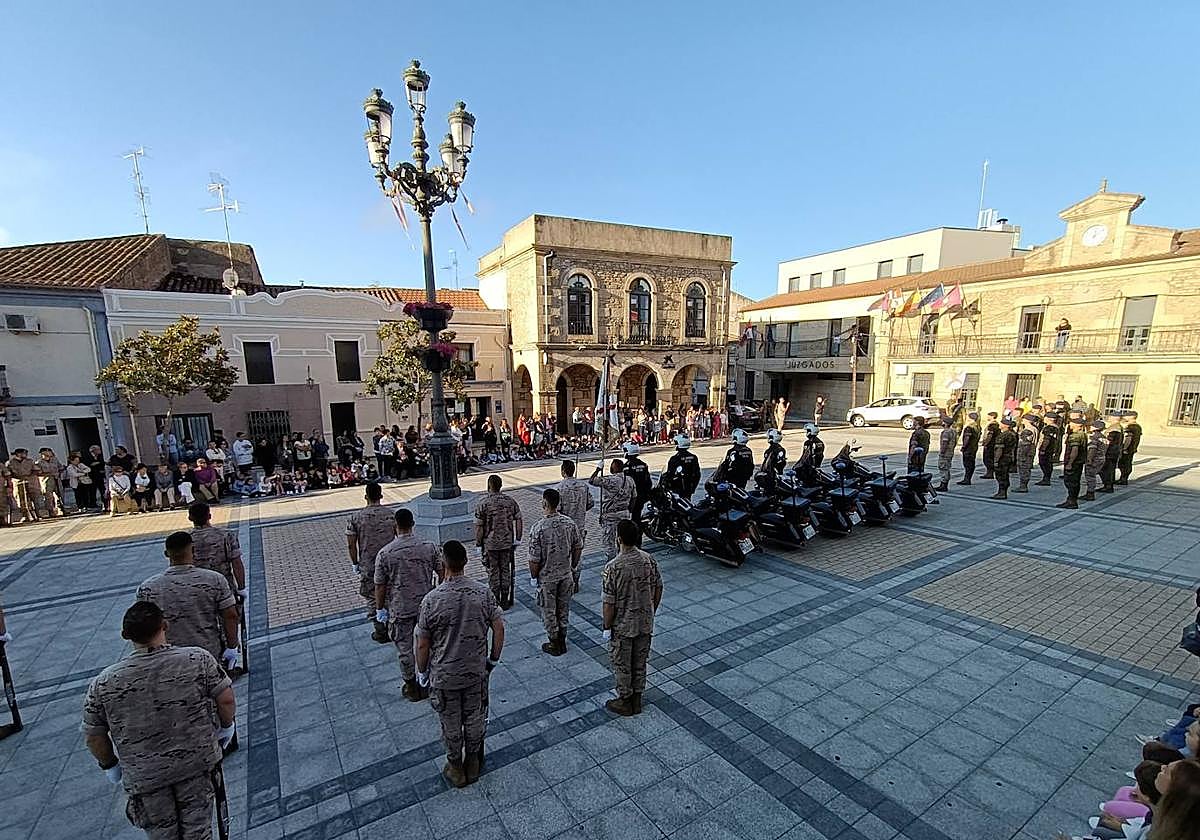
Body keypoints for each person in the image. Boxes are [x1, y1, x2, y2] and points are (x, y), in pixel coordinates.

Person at [82, 601, 236, 840]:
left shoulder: (104, 683)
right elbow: (225, 699)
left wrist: (110, 765)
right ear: (165, 625)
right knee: (198, 831)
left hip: (146, 777)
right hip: (195, 764)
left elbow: (94, 736)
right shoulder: (196, 660)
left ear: (125, 635)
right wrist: (226, 728)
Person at [414, 539, 504, 788]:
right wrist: (493, 659)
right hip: (476, 672)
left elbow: (422, 644)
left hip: (445, 676)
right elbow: (498, 627)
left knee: (451, 723)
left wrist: (422, 672)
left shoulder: (431, 600)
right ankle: (473, 762)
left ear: (443, 563)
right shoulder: (482, 593)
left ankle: (455, 767)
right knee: (475, 718)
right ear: (465, 561)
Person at [136, 532, 240, 671]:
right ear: (193, 550)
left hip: (168, 659)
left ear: (166, 554)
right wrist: (232, 647)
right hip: (208, 655)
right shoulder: (214, 579)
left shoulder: (148, 588)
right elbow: (230, 615)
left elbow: (142, 626)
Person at [374, 508, 444, 701]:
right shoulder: (428, 546)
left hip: (401, 608)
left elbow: (379, 585)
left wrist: (380, 609)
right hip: (427, 606)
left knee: (405, 649)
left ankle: (412, 686)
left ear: (395, 526)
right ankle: (429, 681)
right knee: (431, 644)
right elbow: (442, 572)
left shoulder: (385, 553)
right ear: (413, 524)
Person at [601, 520, 663, 717]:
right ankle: (637, 698)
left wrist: (607, 626)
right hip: (645, 623)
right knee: (640, 661)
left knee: (622, 664)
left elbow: (609, 604)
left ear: (618, 538)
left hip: (623, 626)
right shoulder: (648, 559)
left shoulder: (613, 567)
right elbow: (658, 587)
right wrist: (650, 610)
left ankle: (625, 700)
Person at [527, 488, 583, 657]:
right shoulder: (569, 523)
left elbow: (534, 559)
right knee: (563, 608)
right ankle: (563, 639)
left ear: (544, 503)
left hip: (547, 578)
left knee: (549, 610)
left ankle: (554, 642)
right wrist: (573, 565)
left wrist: (533, 577)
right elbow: (578, 546)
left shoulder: (538, 528)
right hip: (565, 574)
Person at [347, 481, 397, 642]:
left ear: (365, 496)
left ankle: (380, 630)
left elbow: (351, 544)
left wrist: (355, 563)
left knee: (371, 596)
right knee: (392, 593)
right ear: (381, 496)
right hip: (390, 563)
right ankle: (393, 626)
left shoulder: (356, 518)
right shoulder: (392, 514)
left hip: (369, 564)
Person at [474, 474, 523, 609]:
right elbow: (519, 519)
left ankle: (495, 600)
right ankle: (505, 599)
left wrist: (478, 544)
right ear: (501, 485)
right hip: (507, 543)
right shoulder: (510, 501)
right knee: (505, 570)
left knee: (493, 572)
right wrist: (518, 539)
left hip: (490, 545)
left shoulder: (483, 503)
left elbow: (479, 527)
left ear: (488, 486)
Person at [590, 458, 635, 560]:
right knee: (623, 540)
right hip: (624, 514)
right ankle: (623, 560)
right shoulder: (630, 480)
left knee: (609, 542)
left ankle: (613, 563)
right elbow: (634, 497)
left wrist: (598, 469)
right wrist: (629, 510)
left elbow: (591, 480)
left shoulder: (611, 480)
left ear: (614, 468)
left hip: (610, 516)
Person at [557, 459, 594, 547]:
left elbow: (557, 509)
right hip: (579, 526)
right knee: (578, 550)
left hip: (565, 527)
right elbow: (591, 503)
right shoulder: (583, 486)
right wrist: (581, 509)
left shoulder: (559, 488)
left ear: (563, 472)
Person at [1057, 416, 1088, 509]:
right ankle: (1072, 499)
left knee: (1071, 482)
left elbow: (1075, 450)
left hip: (1074, 463)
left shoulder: (1075, 436)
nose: (1069, 424)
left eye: (1071, 423)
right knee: (1075, 482)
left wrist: (1070, 463)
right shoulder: (1083, 434)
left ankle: (1072, 501)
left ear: (1077, 425)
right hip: (1079, 462)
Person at [4, 448, 42, 523]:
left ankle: (37, 515)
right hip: (18, 482)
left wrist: (30, 475)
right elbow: (8, 473)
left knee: (34, 499)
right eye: (24, 453)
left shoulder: (29, 461)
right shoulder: (10, 463)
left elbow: (37, 470)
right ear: (18, 454)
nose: (26, 455)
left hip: (30, 482)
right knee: (21, 500)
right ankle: (25, 516)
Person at [621, 442, 653, 524]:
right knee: (637, 515)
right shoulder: (643, 464)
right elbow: (648, 482)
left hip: (631, 497)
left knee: (630, 518)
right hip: (642, 495)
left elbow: (623, 483)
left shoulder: (626, 467)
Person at [1080, 418, 1108, 502]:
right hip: (1101, 458)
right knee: (1093, 475)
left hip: (1094, 459)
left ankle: (1090, 493)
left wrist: (1089, 459)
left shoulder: (1094, 438)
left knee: (1090, 476)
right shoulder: (1103, 437)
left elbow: (1092, 449)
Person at [991, 418, 1018, 500]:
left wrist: (996, 461)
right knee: (1005, 475)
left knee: (1001, 476)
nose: (1000, 425)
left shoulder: (1003, 436)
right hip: (1009, 457)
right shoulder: (1013, 434)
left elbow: (999, 449)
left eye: (1002, 423)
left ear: (1006, 425)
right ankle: (1003, 492)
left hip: (1002, 459)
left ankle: (1002, 492)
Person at [1034, 412, 1062, 486]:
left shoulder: (1048, 428)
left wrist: (1043, 449)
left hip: (1047, 449)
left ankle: (1046, 478)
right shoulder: (1056, 427)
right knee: (1048, 464)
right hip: (1052, 449)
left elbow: (1047, 439)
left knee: (1044, 463)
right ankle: (1047, 478)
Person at [1100, 412, 1123, 493]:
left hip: (1110, 452)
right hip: (1114, 451)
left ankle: (1108, 486)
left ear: (1114, 418)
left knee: (1106, 469)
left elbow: (1109, 441)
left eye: (1110, 416)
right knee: (1110, 469)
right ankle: (1108, 485)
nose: (1108, 418)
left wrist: (1103, 450)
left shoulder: (1114, 428)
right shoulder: (1118, 426)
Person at [36, 447, 63, 517]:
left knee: (59, 494)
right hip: (47, 480)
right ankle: (50, 511)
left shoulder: (55, 460)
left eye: (49, 452)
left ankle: (61, 509)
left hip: (56, 479)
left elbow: (61, 467)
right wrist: (48, 474)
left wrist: (59, 473)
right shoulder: (39, 463)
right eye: (45, 453)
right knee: (48, 497)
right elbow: (38, 473)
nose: (48, 454)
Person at [1014, 414, 1037, 493]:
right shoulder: (1034, 428)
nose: (1022, 420)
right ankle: (1023, 485)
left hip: (1025, 453)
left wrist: (1022, 455)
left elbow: (1026, 444)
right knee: (1026, 469)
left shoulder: (1028, 430)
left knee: (1024, 469)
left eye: (1023, 419)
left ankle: (1023, 486)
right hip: (1030, 452)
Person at [1119, 410, 1143, 485]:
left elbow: (1128, 438)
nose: (1125, 417)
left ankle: (1123, 479)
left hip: (1128, 449)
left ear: (1131, 417)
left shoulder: (1131, 427)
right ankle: (1123, 478)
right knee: (1128, 463)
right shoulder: (1138, 426)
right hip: (1132, 448)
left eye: (1126, 416)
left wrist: (1124, 448)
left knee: (1124, 464)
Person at [934, 416, 958, 492]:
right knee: (947, 468)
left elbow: (945, 443)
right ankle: (944, 484)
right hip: (950, 452)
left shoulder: (946, 432)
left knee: (943, 468)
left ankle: (943, 485)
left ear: (945, 423)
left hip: (945, 453)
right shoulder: (953, 431)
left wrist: (942, 452)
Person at [957, 412, 980, 486]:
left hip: (968, 448)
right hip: (974, 447)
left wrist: (964, 446)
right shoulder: (977, 426)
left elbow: (967, 438)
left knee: (967, 464)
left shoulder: (969, 427)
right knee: (971, 463)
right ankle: (968, 478)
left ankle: (967, 479)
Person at [980, 412, 1000, 479]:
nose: (987, 417)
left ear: (992, 416)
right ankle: (989, 472)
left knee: (988, 459)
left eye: (988, 416)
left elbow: (990, 436)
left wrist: (986, 443)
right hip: (992, 444)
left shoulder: (993, 425)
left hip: (990, 444)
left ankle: (990, 473)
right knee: (989, 458)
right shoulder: (995, 424)